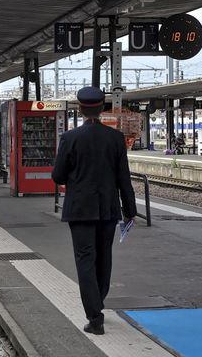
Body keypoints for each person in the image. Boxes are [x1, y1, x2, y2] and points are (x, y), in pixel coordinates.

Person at [51, 86, 136, 336]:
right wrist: (130, 210)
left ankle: (94, 316)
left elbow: (58, 176)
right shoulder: (115, 138)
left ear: (80, 108)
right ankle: (99, 302)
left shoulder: (70, 138)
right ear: (101, 109)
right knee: (104, 258)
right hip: (108, 210)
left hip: (80, 211)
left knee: (85, 260)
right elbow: (124, 178)